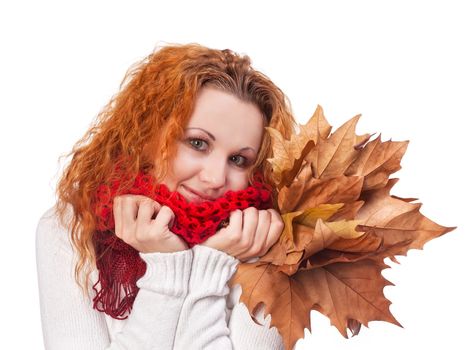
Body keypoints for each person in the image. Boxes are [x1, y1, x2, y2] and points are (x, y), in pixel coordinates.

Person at [36, 43, 297, 349]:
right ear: (148, 134)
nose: (214, 178)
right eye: (198, 143)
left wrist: (210, 264)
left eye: (238, 160)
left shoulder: (267, 240)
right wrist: (167, 267)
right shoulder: (72, 225)